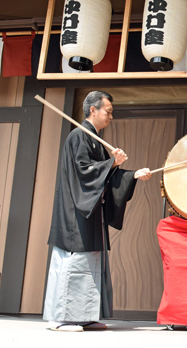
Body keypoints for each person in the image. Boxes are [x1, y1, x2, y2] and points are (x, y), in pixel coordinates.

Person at [43, 91, 152, 332]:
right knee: (74, 262)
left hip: (91, 213)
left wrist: (132, 175)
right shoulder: (79, 136)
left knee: (91, 263)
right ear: (93, 110)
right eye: (108, 111)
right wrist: (112, 163)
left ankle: (83, 316)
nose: (111, 116)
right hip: (76, 214)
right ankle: (61, 318)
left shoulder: (93, 138)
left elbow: (107, 176)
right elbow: (85, 172)